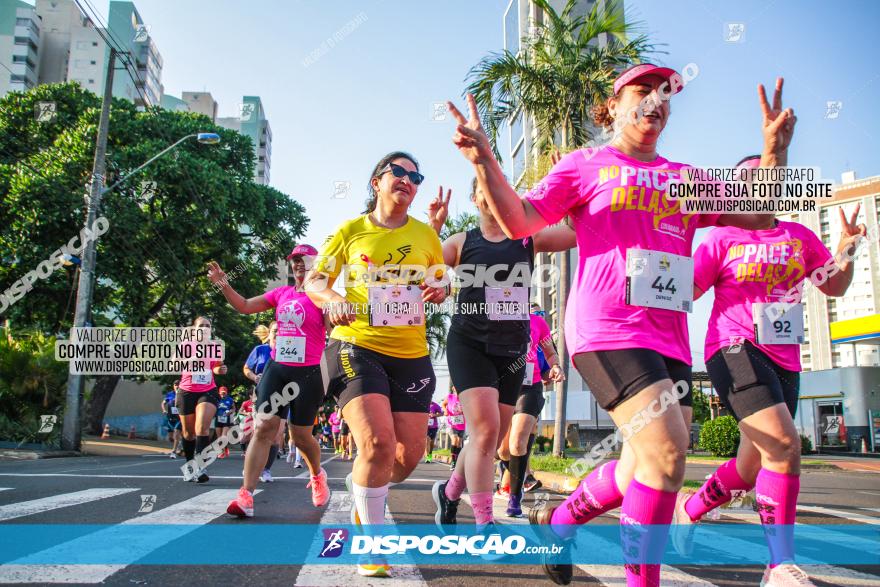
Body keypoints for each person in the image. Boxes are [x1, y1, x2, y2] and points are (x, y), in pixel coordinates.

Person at [445, 64, 796, 585]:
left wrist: (773, 151)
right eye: (642, 90)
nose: (656, 100)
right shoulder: (585, 165)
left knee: (639, 465)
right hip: (606, 329)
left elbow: (762, 217)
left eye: (665, 94)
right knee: (669, 454)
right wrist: (484, 161)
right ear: (612, 106)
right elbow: (520, 222)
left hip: (669, 337)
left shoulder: (687, 178)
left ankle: (560, 521)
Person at [671, 155, 865, 586]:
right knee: (784, 444)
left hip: (784, 358)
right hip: (733, 347)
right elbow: (687, 290)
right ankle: (779, 565)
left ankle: (692, 506)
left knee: (750, 467)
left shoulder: (799, 236)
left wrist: (847, 251)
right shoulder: (722, 237)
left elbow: (833, 284)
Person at [305, 151, 448, 578]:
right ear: (377, 182)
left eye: (415, 176)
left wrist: (440, 288)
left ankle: (361, 491)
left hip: (411, 354)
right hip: (358, 346)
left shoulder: (427, 235)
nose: (407, 179)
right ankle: (371, 542)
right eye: (398, 172)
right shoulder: (351, 231)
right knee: (377, 445)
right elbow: (315, 280)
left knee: (406, 457)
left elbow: (439, 280)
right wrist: (334, 300)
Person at [430, 176, 575, 531]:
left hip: (511, 350)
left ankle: (449, 493)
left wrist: (569, 191)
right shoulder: (462, 241)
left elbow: (574, 233)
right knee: (485, 429)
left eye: (501, 186)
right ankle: (484, 522)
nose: (493, 191)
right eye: (484, 185)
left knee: (492, 439)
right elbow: (427, 265)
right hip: (470, 345)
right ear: (476, 198)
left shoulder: (529, 239)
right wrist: (433, 233)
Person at [208, 243, 331, 517]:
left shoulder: (323, 295)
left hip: (308, 373)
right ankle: (245, 496)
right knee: (264, 428)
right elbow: (244, 305)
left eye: (304, 260)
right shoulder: (282, 293)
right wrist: (224, 284)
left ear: (316, 263)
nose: (299, 264)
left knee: (300, 436)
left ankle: (316, 475)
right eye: (294, 260)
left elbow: (335, 326)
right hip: (278, 368)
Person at [496, 304, 564, 517]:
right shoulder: (494, 318)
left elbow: (551, 353)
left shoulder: (538, 323)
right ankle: (521, 477)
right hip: (503, 388)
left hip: (529, 387)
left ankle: (515, 499)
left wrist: (555, 366)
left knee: (518, 443)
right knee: (502, 451)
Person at [176, 316, 227, 483]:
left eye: (208, 325)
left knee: (202, 427)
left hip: (208, 390)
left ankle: (200, 467)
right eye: (201, 326)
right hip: (186, 391)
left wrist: (221, 369)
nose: (205, 328)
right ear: (195, 329)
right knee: (188, 433)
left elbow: (217, 366)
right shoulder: (186, 345)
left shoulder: (215, 347)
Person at [443, 388, 466, 472]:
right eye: (455, 387)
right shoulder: (449, 397)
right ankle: (453, 462)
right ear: (453, 389)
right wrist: (445, 411)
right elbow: (443, 404)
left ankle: (457, 461)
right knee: (454, 439)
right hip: (451, 423)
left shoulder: (465, 397)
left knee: (459, 442)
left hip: (462, 423)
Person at [161, 381, 182, 458]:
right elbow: (163, 403)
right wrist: (164, 410)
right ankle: (179, 444)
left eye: (178, 385)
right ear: (173, 386)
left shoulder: (183, 394)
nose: (177, 386)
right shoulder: (170, 394)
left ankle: (173, 451)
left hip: (179, 418)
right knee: (171, 438)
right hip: (170, 418)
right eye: (175, 385)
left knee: (176, 433)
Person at [214, 387, 236, 459]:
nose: (223, 394)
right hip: (218, 418)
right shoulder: (216, 399)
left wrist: (230, 412)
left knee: (223, 436)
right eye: (221, 393)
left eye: (224, 392)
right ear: (219, 393)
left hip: (226, 419)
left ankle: (221, 452)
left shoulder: (230, 399)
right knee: (219, 437)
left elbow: (233, 408)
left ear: (226, 392)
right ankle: (225, 448)